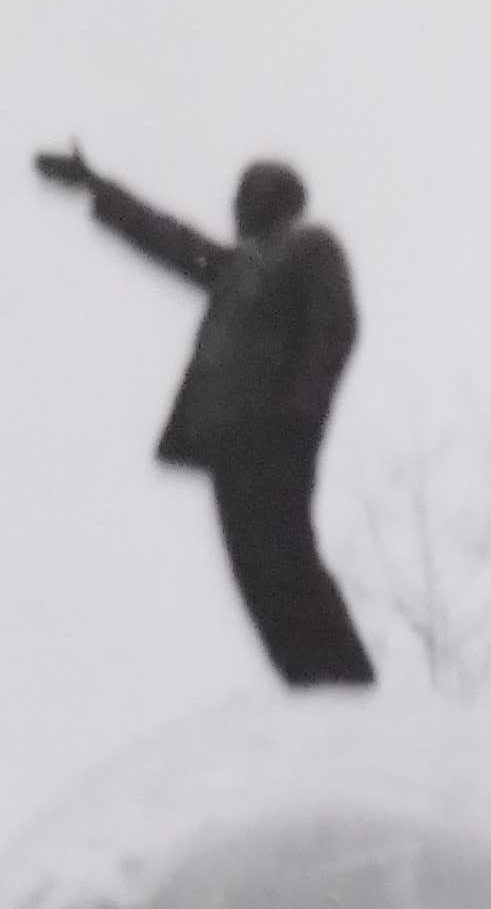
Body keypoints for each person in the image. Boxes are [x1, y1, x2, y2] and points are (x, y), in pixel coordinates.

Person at [32, 144, 377, 689]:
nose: (237, 206)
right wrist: (97, 185)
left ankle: (346, 683)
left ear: (277, 200)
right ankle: (309, 686)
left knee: (285, 555)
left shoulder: (308, 248)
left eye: (248, 194)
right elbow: (170, 240)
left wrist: (300, 411)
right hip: (229, 440)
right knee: (254, 569)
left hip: (275, 433)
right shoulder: (236, 267)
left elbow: (335, 328)